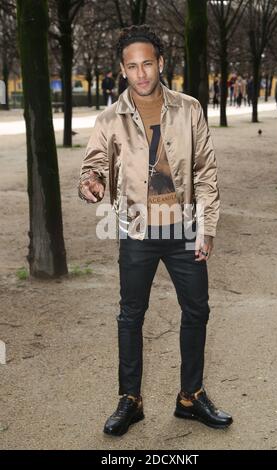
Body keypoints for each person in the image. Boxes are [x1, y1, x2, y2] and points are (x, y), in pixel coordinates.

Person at [78, 24, 233, 437]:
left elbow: (206, 172)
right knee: (131, 317)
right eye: (132, 66)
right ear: (123, 70)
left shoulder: (190, 109)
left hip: (184, 229)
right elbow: (92, 166)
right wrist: (91, 183)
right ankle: (131, 400)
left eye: (148, 63)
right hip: (136, 232)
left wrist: (208, 227)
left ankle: (191, 397)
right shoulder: (109, 118)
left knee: (197, 311)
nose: (141, 73)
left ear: (161, 63)